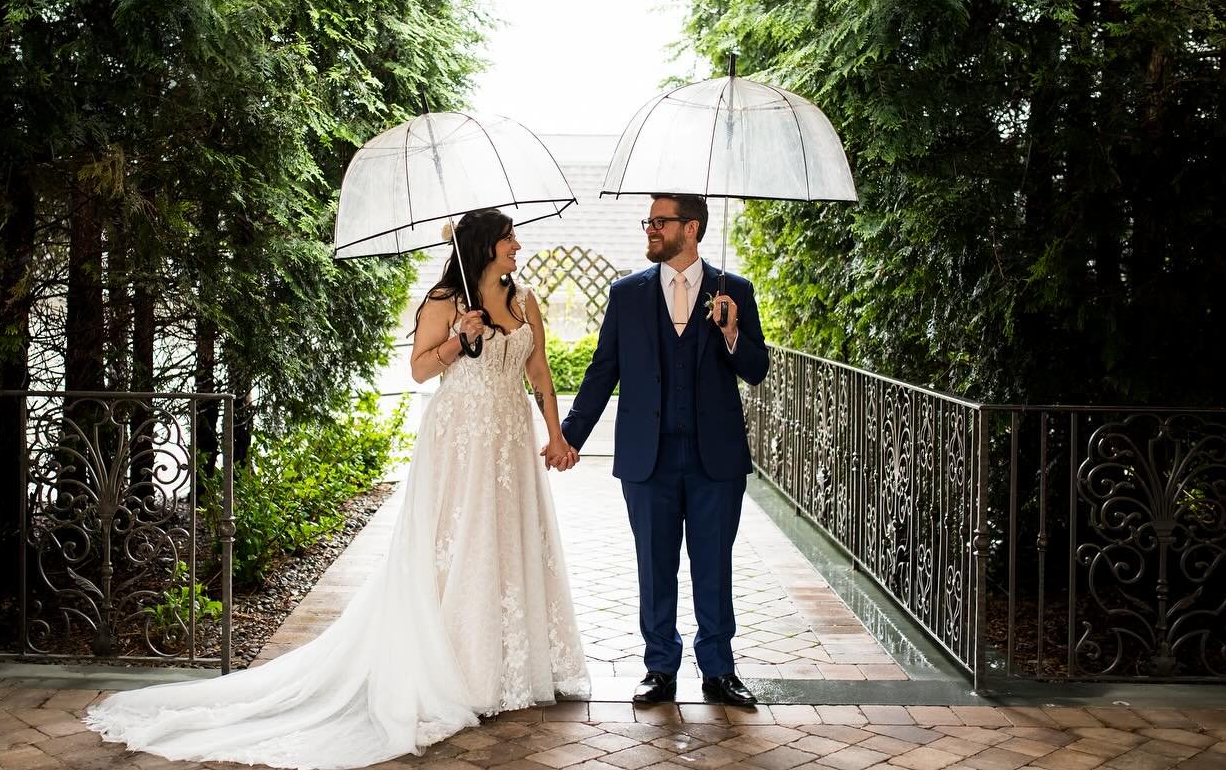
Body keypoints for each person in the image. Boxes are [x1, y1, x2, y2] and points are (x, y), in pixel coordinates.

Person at [86, 208, 589, 769]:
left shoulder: (525, 302)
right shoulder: (444, 302)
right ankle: (464, 669)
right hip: (461, 442)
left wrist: (556, 436)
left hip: (509, 437)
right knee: (461, 543)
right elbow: (421, 371)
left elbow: (539, 371)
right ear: (485, 246)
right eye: (508, 238)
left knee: (509, 539)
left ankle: (512, 665)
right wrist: (457, 339)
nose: (517, 246)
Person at [560, 194, 768, 707]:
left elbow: (756, 369)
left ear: (690, 228)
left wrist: (732, 330)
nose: (650, 229)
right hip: (646, 457)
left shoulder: (733, 290)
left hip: (714, 459)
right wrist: (570, 435)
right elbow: (603, 370)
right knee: (653, 564)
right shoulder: (626, 293)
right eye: (648, 221)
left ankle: (719, 670)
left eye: (660, 221)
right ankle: (660, 668)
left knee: (713, 564)